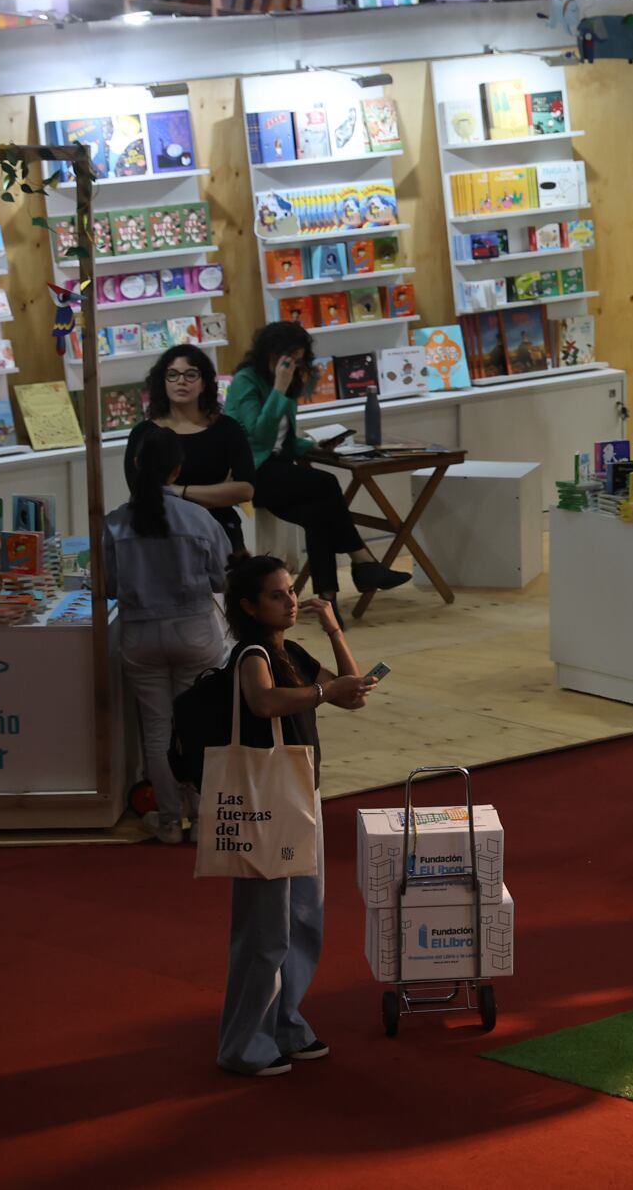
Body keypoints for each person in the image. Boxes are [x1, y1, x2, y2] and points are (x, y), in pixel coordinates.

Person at [216, 553, 376, 1077]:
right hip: (267, 803)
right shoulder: (252, 652)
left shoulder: (294, 651)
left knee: (303, 921)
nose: (290, 601)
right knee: (265, 930)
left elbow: (352, 695)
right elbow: (262, 703)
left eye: (290, 591)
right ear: (248, 605)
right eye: (276, 594)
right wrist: (325, 691)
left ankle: (286, 1024)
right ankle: (243, 1044)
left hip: (301, 796)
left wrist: (334, 630)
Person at [225, 322, 411, 613]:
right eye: (286, 358)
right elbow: (260, 436)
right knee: (325, 483)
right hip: (253, 473)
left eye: (297, 360)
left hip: (279, 469)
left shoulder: (289, 381)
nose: (291, 365)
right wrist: (279, 389)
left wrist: (310, 446)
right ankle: (362, 561)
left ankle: (327, 599)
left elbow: (282, 439)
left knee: (318, 516)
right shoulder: (245, 381)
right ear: (268, 353)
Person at [104, 425, 232, 845]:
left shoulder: (114, 523)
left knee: (157, 730)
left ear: (136, 464)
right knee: (195, 726)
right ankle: (202, 820)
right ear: (177, 470)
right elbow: (222, 578)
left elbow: (105, 587)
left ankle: (168, 820)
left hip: (140, 635)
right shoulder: (199, 517)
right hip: (195, 631)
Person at [129, 344, 256, 556]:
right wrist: (217, 492)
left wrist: (179, 491)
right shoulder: (144, 433)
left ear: (204, 382)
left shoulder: (227, 428)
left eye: (191, 374)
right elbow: (141, 492)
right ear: (163, 381)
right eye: (172, 375)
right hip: (164, 530)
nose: (181, 381)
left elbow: (245, 490)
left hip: (221, 528)